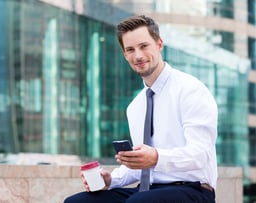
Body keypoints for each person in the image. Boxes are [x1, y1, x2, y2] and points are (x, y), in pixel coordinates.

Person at [63, 15, 217, 203]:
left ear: (159, 44)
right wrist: (111, 180)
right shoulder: (135, 107)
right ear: (125, 55)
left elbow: (201, 154)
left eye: (144, 46)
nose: (138, 55)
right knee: (77, 202)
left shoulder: (190, 89)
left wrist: (157, 157)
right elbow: (140, 166)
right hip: (147, 190)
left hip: (192, 189)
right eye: (130, 49)